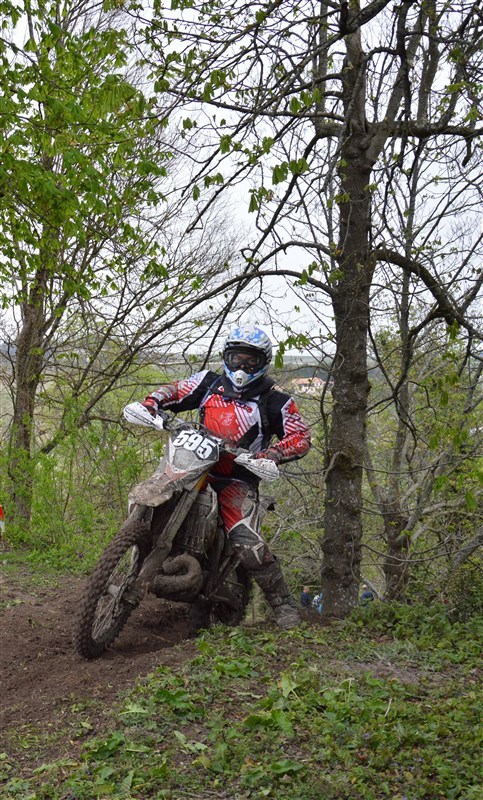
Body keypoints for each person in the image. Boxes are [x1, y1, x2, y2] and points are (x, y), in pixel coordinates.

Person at [133, 324, 311, 629]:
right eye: (236, 358)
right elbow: (175, 390)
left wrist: (273, 453)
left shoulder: (275, 401)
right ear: (225, 357)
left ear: (262, 362)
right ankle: (134, 559)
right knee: (151, 496)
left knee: (246, 541)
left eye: (250, 361)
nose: (241, 367)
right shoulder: (208, 382)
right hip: (192, 464)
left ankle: (283, 604)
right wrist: (152, 403)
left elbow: (300, 436)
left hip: (236, 478)